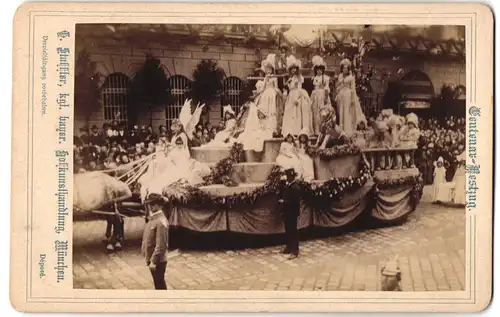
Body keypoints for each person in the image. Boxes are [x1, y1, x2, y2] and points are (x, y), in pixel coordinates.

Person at [141, 193, 169, 290]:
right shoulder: (154, 218)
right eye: (149, 204)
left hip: (158, 260)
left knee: (160, 284)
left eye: (153, 204)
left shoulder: (161, 221)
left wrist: (153, 261)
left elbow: (161, 246)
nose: (150, 206)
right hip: (152, 257)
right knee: (157, 283)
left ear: (160, 205)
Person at [281, 55, 313, 137]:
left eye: (295, 69)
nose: (293, 70)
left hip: (297, 94)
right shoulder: (290, 79)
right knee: (290, 112)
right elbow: (288, 88)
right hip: (291, 95)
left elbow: (299, 88)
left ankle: (297, 130)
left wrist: (297, 98)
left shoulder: (299, 78)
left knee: (297, 112)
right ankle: (290, 130)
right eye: (292, 69)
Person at [335, 58, 366, 137]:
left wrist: (352, 99)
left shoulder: (351, 77)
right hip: (341, 95)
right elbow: (338, 86)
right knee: (341, 111)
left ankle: (348, 129)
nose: (345, 69)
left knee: (347, 111)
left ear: (348, 69)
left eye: (346, 68)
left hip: (348, 95)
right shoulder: (340, 76)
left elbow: (352, 89)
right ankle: (342, 129)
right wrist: (337, 93)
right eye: (343, 68)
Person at [254, 54, 281, 135]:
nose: (269, 71)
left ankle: (272, 127)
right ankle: (264, 124)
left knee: (272, 109)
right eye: (267, 70)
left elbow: (276, 87)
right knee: (263, 100)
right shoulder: (265, 78)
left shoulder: (274, 77)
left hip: (272, 91)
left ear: (272, 70)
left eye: (270, 70)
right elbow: (264, 87)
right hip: (266, 92)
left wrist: (276, 92)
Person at [277, 168, 301, 259]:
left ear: (292, 177)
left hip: (292, 213)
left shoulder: (295, 187)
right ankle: (289, 247)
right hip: (287, 212)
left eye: (289, 176)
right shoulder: (289, 185)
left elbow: (295, 202)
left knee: (293, 231)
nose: (287, 178)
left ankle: (295, 250)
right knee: (288, 230)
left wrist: (284, 201)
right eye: (287, 176)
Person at [310, 55, 332, 135]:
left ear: (323, 70)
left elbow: (326, 88)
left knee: (323, 111)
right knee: (316, 112)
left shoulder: (325, 78)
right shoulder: (314, 78)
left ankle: (324, 130)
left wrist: (326, 98)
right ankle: (317, 130)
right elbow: (314, 88)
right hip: (315, 96)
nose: (319, 71)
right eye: (317, 70)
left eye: (320, 70)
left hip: (322, 95)